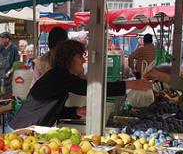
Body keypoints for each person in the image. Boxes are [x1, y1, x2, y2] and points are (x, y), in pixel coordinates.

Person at [10, 40, 151, 129]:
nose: (84, 60)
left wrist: (76, 111)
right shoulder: (59, 75)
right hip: (23, 130)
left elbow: (50, 108)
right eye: (80, 56)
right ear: (69, 58)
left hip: (29, 128)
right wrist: (130, 84)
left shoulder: (58, 75)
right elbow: (90, 89)